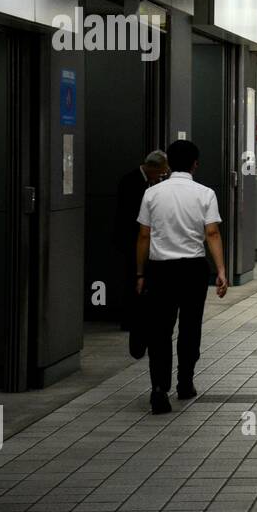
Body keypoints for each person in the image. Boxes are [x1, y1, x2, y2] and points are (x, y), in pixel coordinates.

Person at [135, 140, 228, 414]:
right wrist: (221, 270)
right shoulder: (205, 193)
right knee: (190, 327)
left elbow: (143, 236)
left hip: (160, 269)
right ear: (195, 164)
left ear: (169, 164)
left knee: (160, 331)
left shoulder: (152, 194)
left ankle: (159, 389)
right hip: (192, 269)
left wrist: (140, 273)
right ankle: (185, 381)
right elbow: (211, 233)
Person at [113, 149, 168, 358]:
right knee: (131, 278)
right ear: (152, 168)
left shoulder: (152, 183)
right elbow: (131, 216)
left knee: (140, 279)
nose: (162, 175)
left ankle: (137, 317)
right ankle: (129, 319)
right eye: (161, 171)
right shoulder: (131, 181)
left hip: (144, 240)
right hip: (131, 239)